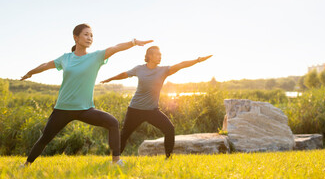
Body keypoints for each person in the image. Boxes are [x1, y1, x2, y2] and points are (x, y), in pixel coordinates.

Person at [20, 23, 152, 166]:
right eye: (86, 34)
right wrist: (30, 73)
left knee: (113, 122)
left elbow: (116, 48)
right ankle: (26, 165)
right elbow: (45, 65)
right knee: (45, 138)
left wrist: (133, 42)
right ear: (76, 38)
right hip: (63, 109)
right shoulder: (66, 58)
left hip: (85, 109)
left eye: (91, 35)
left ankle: (116, 161)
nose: (89, 38)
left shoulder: (96, 57)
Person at [100, 46, 212, 160]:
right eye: (157, 54)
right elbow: (124, 74)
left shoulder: (163, 70)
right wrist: (110, 79)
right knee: (124, 135)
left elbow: (181, 64)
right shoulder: (139, 69)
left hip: (152, 110)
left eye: (160, 55)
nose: (160, 57)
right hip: (135, 109)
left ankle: (168, 158)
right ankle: (114, 159)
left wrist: (197, 60)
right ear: (149, 56)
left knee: (169, 129)